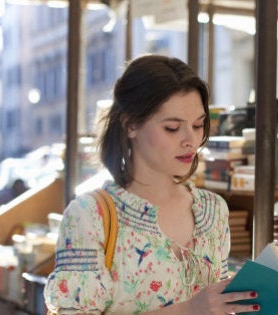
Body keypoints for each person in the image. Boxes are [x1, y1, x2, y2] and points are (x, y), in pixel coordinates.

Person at [43, 54, 260, 314]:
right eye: (172, 128)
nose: (191, 140)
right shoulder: (89, 216)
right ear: (130, 124)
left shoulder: (213, 211)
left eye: (199, 125)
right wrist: (187, 310)